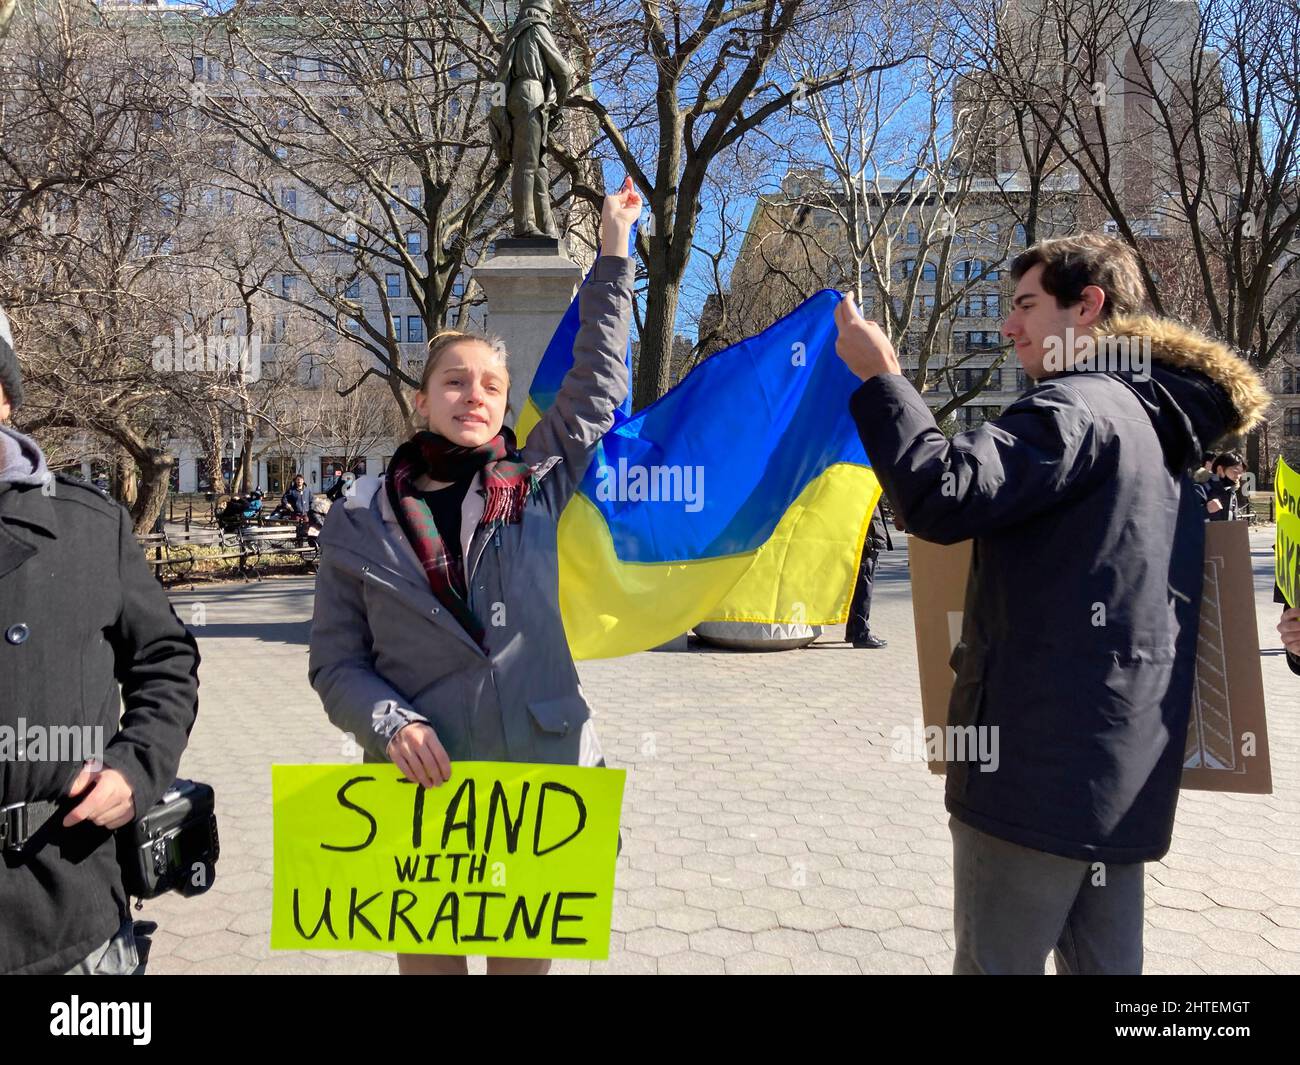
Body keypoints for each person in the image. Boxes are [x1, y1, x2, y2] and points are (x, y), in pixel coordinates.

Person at [834, 233, 1269, 974]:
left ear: (1089, 306)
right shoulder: (1160, 428)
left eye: (1027, 306)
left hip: (1030, 782)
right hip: (1117, 785)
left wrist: (883, 378)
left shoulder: (1075, 408)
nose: (1009, 327)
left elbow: (939, 494)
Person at [308, 177, 640, 976]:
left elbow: (596, 388)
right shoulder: (356, 519)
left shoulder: (534, 480)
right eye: (455, 382)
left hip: (540, 777)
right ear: (422, 399)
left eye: (492, 385)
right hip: (422, 789)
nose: (475, 396)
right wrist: (390, 723)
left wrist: (614, 251)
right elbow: (335, 663)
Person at [0, 307, 200, 974]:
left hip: (67, 909)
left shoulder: (87, 526)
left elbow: (166, 661)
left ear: (5, 394)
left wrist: (136, 768)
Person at [845, 505, 893, 649]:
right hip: (866, 540)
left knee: (858, 586)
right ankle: (861, 634)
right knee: (863, 588)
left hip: (866, 539)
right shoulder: (864, 483)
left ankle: (853, 631)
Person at [1201, 451, 1248, 521]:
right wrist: (1206, 510)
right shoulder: (1201, 489)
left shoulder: (1232, 493)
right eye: (1235, 472)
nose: (1238, 476)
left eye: (1240, 473)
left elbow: (1233, 523)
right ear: (1220, 469)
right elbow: (1184, 518)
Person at [281, 473, 311, 543]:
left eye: (300, 480)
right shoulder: (291, 491)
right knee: (298, 531)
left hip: (306, 514)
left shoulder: (307, 490)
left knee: (306, 530)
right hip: (296, 514)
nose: (299, 481)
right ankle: (298, 546)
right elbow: (284, 499)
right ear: (295, 481)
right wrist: (286, 504)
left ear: (303, 481)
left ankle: (305, 546)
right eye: (297, 480)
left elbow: (311, 500)